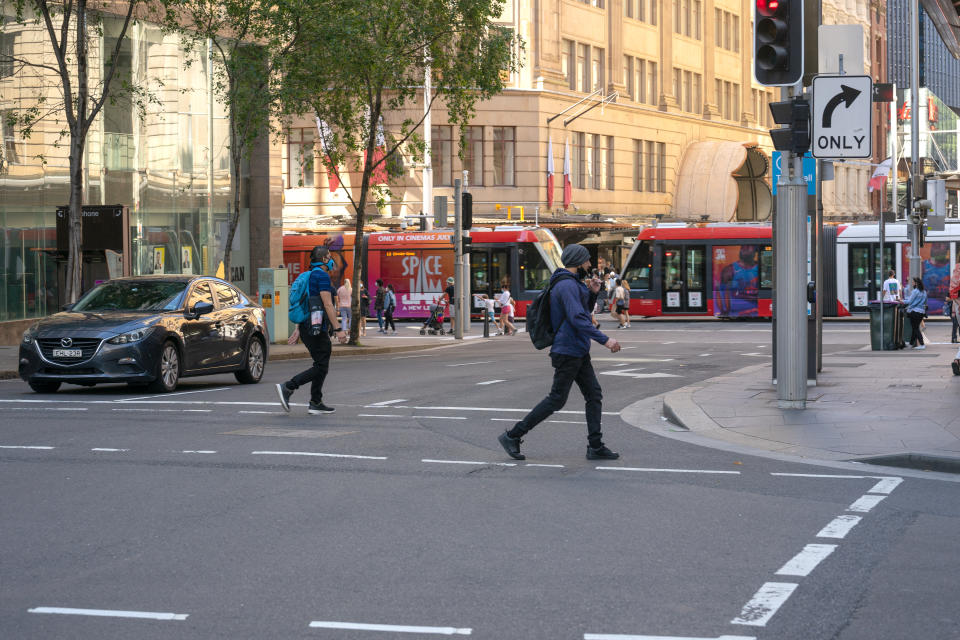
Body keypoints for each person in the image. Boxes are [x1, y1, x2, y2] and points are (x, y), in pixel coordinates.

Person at [497, 243, 622, 461]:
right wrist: (605, 340)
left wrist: (592, 294)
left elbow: (579, 311)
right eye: (587, 261)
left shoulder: (571, 283)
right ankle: (513, 435)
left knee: (594, 394)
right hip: (568, 350)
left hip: (577, 349)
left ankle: (595, 445)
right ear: (578, 262)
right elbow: (577, 318)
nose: (590, 264)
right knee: (557, 399)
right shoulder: (566, 286)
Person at [276, 245, 348, 415]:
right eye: (329, 257)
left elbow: (305, 303)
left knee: (320, 364)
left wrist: (299, 328)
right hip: (316, 328)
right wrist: (339, 329)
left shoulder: (308, 276)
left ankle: (316, 402)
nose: (331, 260)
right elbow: (328, 304)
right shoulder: (321, 276)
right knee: (321, 366)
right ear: (323, 259)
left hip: (308, 326)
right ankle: (288, 386)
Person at [904, 276, 927, 350]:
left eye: (913, 282)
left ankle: (922, 344)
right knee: (915, 328)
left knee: (915, 328)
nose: (912, 283)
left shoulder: (915, 291)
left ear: (916, 283)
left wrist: (901, 301)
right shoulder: (924, 291)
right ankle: (911, 344)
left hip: (914, 311)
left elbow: (909, 301)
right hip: (921, 312)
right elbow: (925, 302)